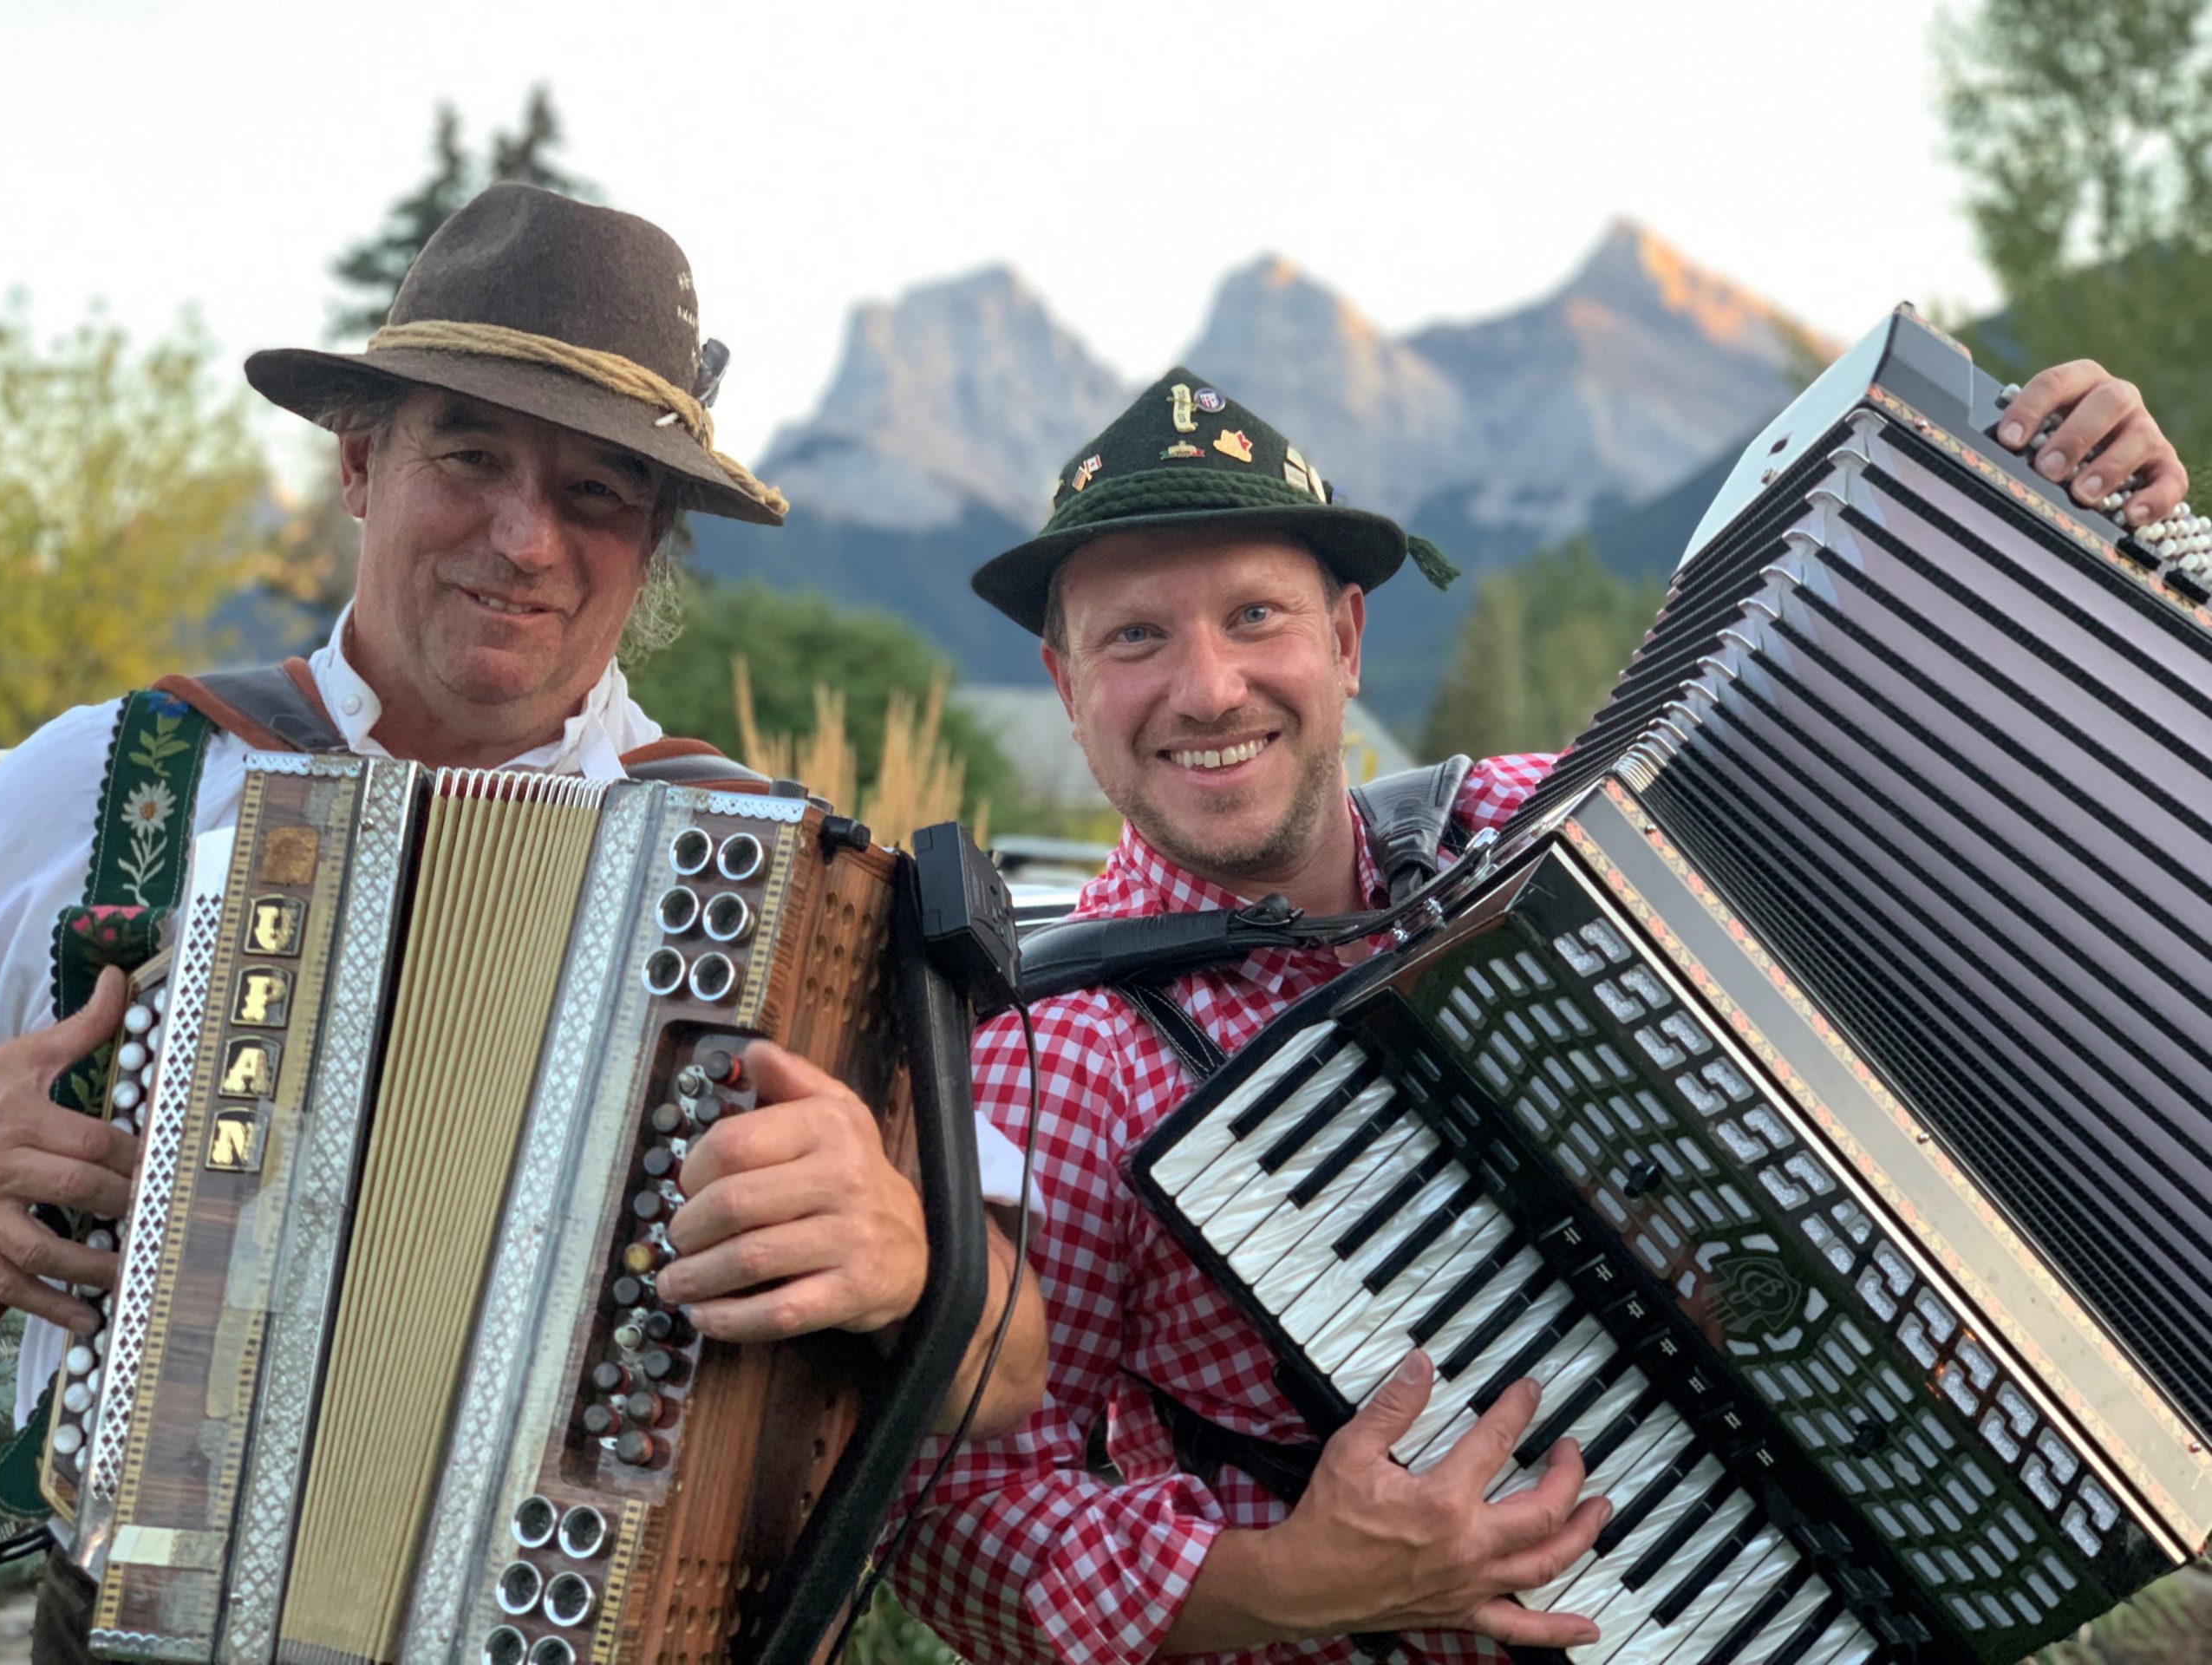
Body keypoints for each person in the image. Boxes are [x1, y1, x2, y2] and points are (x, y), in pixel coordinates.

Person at [888, 360, 2186, 1665]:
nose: (1212, 688)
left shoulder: (1543, 823)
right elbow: (954, 1513)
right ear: (1067, 688)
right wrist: (1292, 1579)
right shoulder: (1044, 1056)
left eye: (1254, 616)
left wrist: (2080, 537)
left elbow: (1923, 814)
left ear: (1343, 641)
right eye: (1137, 637)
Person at [0, 183, 1045, 1659]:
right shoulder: (112, 781)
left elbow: (1010, 1362)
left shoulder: (798, 895)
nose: (524, 536)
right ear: (360, 464)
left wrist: (910, 1262)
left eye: (597, 492)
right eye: (470, 456)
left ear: (655, 540)